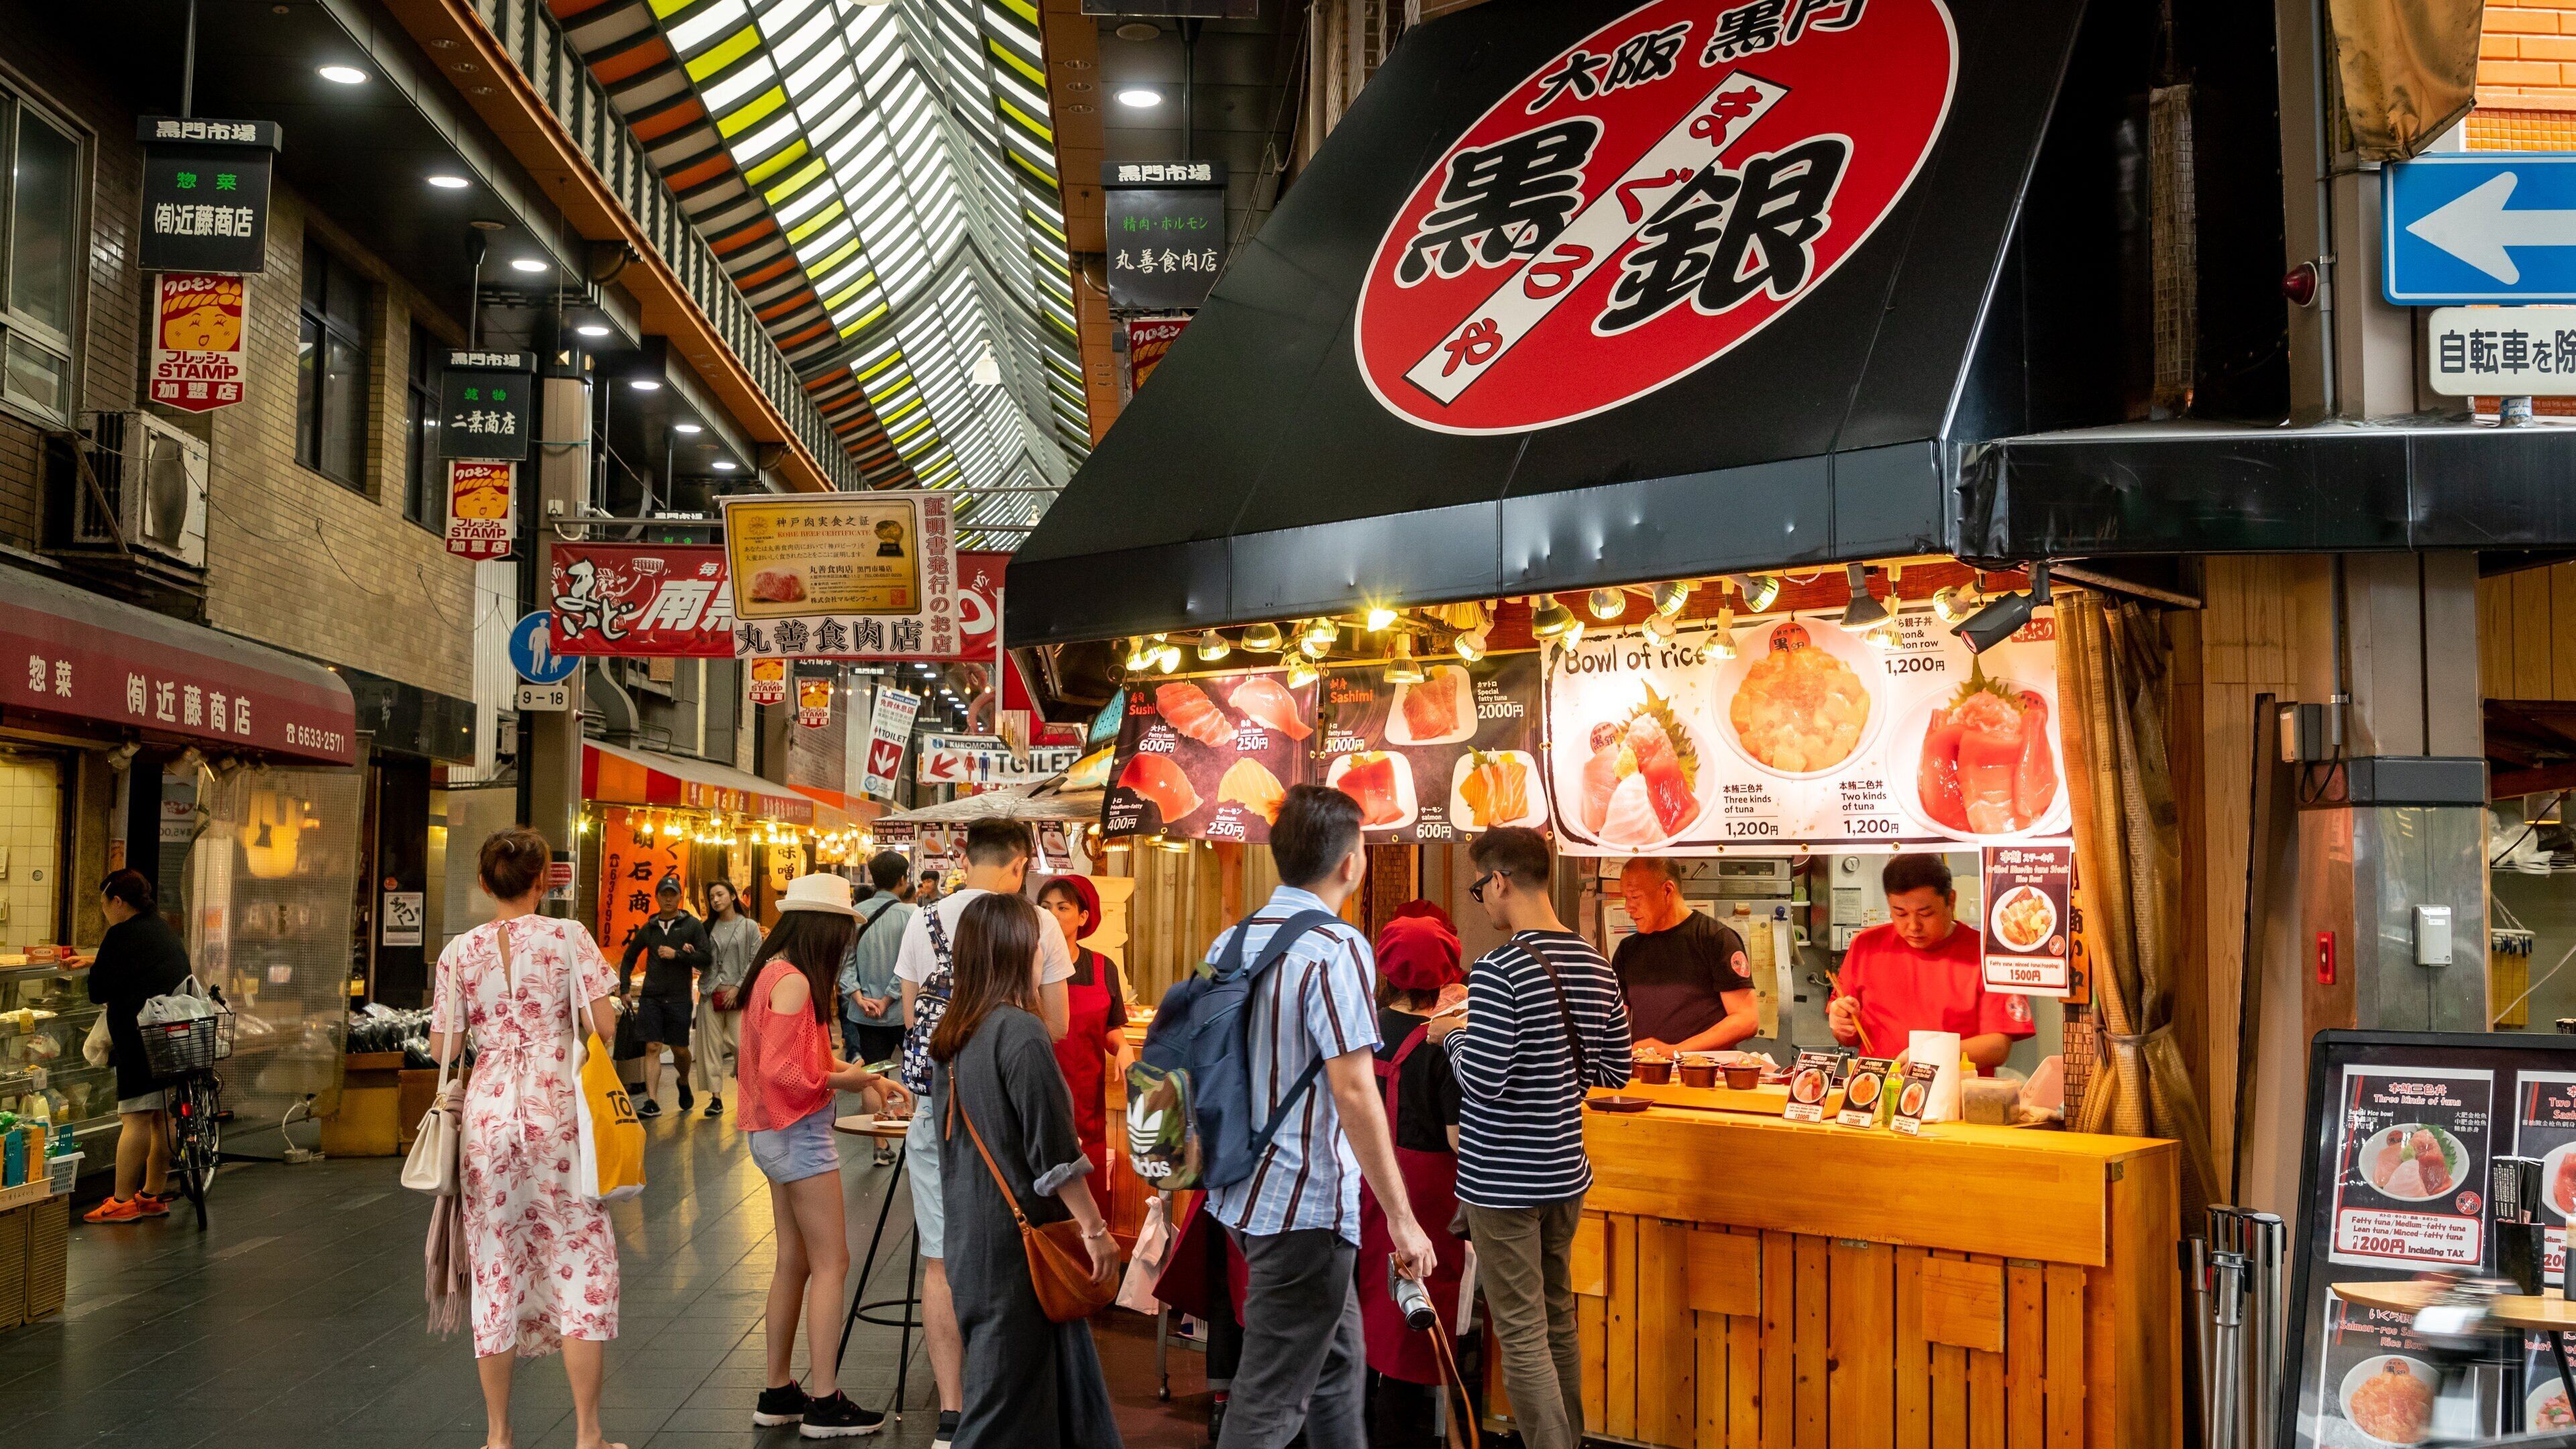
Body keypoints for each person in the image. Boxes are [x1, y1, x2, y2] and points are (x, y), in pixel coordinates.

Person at [1206, 784, 1436, 1449]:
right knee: (1268, 1403)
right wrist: (1400, 1218)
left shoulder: (1231, 940)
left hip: (1241, 1194)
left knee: (1336, 1371)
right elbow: (1355, 1090)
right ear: (1349, 863)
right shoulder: (1337, 947)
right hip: (1300, 1206)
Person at [1431, 827, 1633, 1449]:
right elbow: (1614, 1072)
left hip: (1503, 1181)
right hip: (1563, 1173)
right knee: (1556, 1321)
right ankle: (1567, 1438)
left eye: (1480, 889)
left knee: (1519, 1332)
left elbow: (1486, 1082)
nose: (1483, 903)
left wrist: (1454, 1037)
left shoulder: (1499, 968)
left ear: (1500, 881)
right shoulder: (1597, 962)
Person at [427, 829, 629, 1449]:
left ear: (484, 884)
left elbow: (444, 1049)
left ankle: (497, 1436)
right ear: (545, 881)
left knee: (494, 1265)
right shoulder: (569, 939)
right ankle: (588, 1434)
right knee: (581, 1259)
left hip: (488, 1118)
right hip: (559, 1111)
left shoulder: (459, 953)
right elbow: (603, 1024)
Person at [896, 819, 1074, 1449]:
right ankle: (1007, 1400)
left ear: (963, 857)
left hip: (934, 1105)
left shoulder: (923, 920)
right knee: (1010, 1251)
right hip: (1004, 1104)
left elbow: (915, 1013)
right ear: (1023, 862)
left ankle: (952, 1412)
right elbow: (1055, 1024)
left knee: (942, 1256)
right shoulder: (1035, 924)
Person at [930, 891, 1123, 1449]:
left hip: (972, 1236)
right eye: (1043, 945)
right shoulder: (1020, 1031)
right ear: (1020, 953)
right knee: (1002, 1410)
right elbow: (1055, 1153)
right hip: (1017, 1250)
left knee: (1036, 1397)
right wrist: (1095, 1230)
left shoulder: (957, 1030)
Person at [740, 873, 913, 1439]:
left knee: (795, 1260)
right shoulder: (793, 981)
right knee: (832, 1263)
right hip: (796, 1135)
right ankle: (824, 1400)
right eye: (844, 932)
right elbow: (786, 1074)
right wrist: (850, 1080)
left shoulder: (772, 970)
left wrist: (859, 1078)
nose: (847, 944)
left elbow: (789, 1065)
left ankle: (778, 1391)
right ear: (826, 928)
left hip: (770, 1133)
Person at [1356, 912, 1467, 1437]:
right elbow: (1457, 1140)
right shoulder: (1443, 1045)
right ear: (1445, 978)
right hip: (1421, 1201)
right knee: (1410, 1327)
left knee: (1357, 1314)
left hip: (1359, 1186)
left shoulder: (1358, 1029)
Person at [1829, 854, 2034, 1073]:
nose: (1913, 926)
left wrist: (1928, 1055)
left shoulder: (1988, 954)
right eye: (1901, 913)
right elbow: (1847, 1035)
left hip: (1956, 1098)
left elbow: (1998, 1047)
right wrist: (1841, 1022)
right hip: (1879, 1092)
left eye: (1925, 914)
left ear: (1951, 900)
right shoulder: (1867, 945)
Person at [81, 870, 192, 1223]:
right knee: (161, 1116)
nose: (104, 912)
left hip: (138, 1038)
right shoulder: (162, 929)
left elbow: (98, 991)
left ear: (117, 901)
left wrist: (98, 965)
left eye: (103, 904)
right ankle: (152, 1195)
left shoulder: (121, 934)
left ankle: (122, 1201)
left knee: (136, 1117)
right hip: (171, 1035)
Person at [1610, 857, 1757, 1056]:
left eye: (1635, 897)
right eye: (1625, 899)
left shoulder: (1716, 939)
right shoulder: (1628, 950)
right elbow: (1615, 1018)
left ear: (1668, 890)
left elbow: (1746, 1020)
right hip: (1646, 1078)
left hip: (1704, 1078)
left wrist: (1675, 1051)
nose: (1628, 908)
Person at [1036, 874, 1129, 1179]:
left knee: (1086, 1188)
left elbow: (1110, 1027)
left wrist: (1125, 1047)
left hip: (1086, 1100)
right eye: (1045, 907)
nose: (1052, 915)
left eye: (1063, 908)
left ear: (1083, 917)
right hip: (1037, 1093)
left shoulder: (1103, 967)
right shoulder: (1026, 967)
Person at [839, 851, 916, 1167]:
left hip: (865, 1014)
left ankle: (880, 1143)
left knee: (873, 1074)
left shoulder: (855, 913)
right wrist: (889, 998)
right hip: (901, 1012)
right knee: (912, 1073)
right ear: (902, 880)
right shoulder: (911, 916)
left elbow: (845, 962)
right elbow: (909, 965)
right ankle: (913, 1140)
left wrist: (857, 996)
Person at [619, 875, 710, 1118]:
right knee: (653, 1046)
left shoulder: (691, 926)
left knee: (679, 1049)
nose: (669, 899)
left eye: (673, 894)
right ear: (657, 897)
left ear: (680, 897)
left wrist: (678, 955)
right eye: (664, 894)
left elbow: (705, 957)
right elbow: (629, 958)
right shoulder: (649, 928)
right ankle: (652, 1101)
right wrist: (625, 988)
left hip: (679, 996)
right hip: (652, 996)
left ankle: (683, 1079)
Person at [692, 879, 759, 1120]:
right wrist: (692, 955)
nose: (716, 900)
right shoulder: (706, 927)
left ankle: (745, 1087)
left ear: (732, 896)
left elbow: (755, 960)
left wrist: (739, 988)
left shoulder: (749, 926)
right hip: (710, 993)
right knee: (710, 1048)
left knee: (743, 1046)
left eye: (720, 895)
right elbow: (702, 962)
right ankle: (715, 1097)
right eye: (712, 897)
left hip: (738, 997)